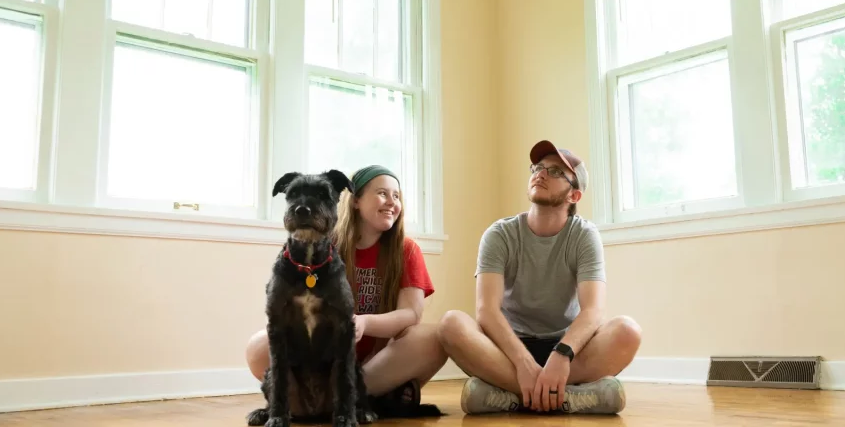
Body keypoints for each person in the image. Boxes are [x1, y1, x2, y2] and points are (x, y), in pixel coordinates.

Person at [438, 140, 641, 415]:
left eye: (556, 172)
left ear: (574, 196)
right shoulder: (499, 234)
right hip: (509, 349)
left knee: (628, 331)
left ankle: (509, 396)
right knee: (451, 324)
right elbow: (486, 310)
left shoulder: (584, 235)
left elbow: (593, 310)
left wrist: (562, 354)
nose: (541, 173)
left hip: (568, 348)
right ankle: (570, 397)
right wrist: (522, 361)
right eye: (538, 167)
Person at [246, 165, 446, 410]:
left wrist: (364, 322)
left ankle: (349, 396)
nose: (391, 202)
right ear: (355, 201)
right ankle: (362, 399)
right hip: (323, 360)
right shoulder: (323, 244)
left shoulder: (407, 250)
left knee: (434, 339)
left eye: (397, 196)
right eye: (382, 193)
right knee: (257, 347)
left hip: (378, 362)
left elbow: (411, 314)